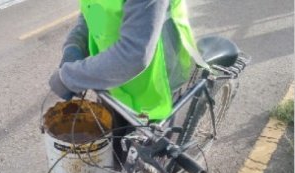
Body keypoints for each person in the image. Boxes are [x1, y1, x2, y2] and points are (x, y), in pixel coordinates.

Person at [49, 0, 198, 122]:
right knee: (114, 147)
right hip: (113, 79)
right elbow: (96, 10)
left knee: (151, 154)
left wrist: (69, 78)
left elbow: (133, 56)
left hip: (156, 85)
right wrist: (75, 45)